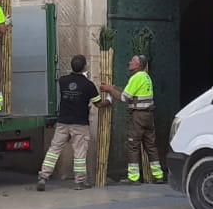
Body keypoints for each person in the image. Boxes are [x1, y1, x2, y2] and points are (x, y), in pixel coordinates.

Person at [36, 54, 109, 191]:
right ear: (85, 67)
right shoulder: (88, 85)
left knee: (54, 150)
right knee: (80, 153)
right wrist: (109, 99)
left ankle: (43, 176)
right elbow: (98, 104)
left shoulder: (63, 81)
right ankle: (79, 181)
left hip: (63, 122)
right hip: (80, 124)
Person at [102, 54, 162, 185]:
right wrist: (115, 88)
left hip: (138, 117)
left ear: (138, 65)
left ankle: (133, 178)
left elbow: (124, 98)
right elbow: (131, 94)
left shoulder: (136, 77)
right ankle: (158, 175)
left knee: (133, 145)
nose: (129, 63)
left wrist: (110, 89)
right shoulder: (146, 77)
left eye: (132, 61)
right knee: (151, 146)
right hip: (148, 116)